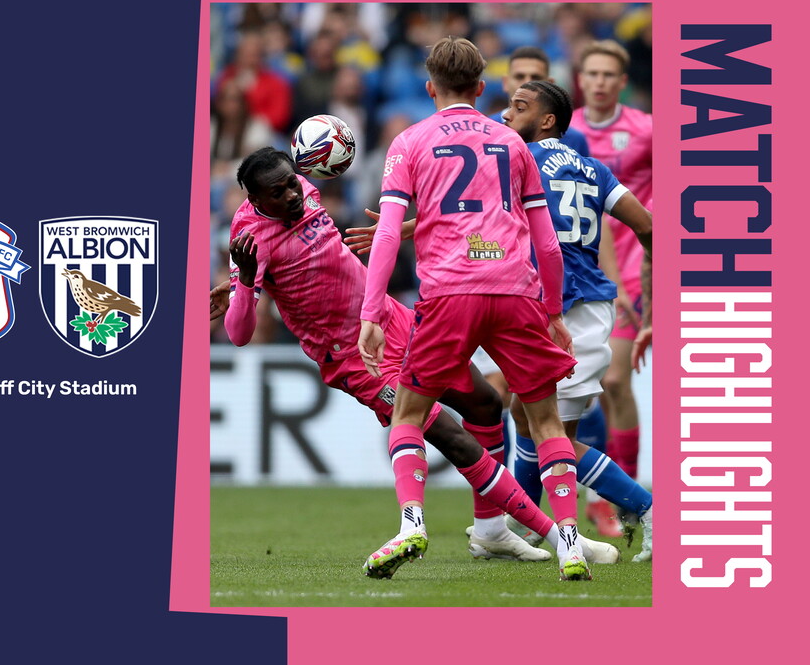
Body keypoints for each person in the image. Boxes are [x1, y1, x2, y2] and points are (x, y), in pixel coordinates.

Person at [214, 146, 619, 579]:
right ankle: (560, 539)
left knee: (484, 403)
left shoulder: (305, 188)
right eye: (280, 192)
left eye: (294, 182)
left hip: (391, 318)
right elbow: (238, 335)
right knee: (448, 434)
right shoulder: (250, 242)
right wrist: (241, 283)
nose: (294, 194)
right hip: (355, 355)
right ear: (258, 200)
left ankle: (490, 530)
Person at [357, 37, 591, 581]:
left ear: (429, 87)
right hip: (515, 293)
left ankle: (412, 523)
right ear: (482, 88)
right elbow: (548, 243)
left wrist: (373, 312)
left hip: (449, 295)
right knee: (547, 422)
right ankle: (571, 544)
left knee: (408, 415)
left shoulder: (408, 141)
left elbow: (389, 232)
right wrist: (553, 313)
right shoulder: (511, 141)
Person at [502, 80, 653, 561]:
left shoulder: (517, 161)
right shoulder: (594, 168)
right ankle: (518, 526)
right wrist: (654, 291)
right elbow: (648, 226)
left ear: (547, 120)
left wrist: (405, 228)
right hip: (581, 306)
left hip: (564, 310)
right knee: (524, 417)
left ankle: (649, 511)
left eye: (519, 107)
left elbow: (471, 216)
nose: (507, 115)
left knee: (556, 438)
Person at [570, 39, 652, 490]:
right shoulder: (566, 127)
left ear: (621, 82)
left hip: (633, 266)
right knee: (584, 391)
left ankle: (629, 496)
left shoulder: (647, 129)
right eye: (592, 74)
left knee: (617, 380)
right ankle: (612, 494)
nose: (600, 82)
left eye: (608, 75)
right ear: (581, 81)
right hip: (582, 269)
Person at [490, 46, 590, 157]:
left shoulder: (574, 139)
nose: (527, 84)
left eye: (535, 77)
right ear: (506, 82)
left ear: (550, 84)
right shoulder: (488, 130)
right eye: (520, 76)